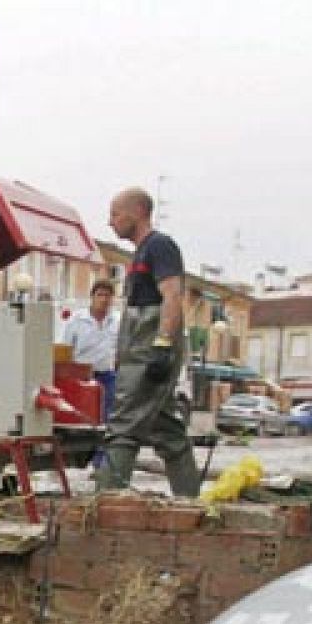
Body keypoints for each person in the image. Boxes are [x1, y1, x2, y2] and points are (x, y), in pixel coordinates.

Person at [99, 188, 200, 498]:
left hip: (148, 349)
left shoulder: (160, 246)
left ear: (138, 212)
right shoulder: (139, 253)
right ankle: (190, 498)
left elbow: (172, 295)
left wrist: (162, 345)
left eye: (115, 214)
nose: (110, 222)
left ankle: (104, 502)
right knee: (165, 427)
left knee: (124, 423)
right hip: (138, 347)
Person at [65, 278, 121, 417]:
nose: (103, 299)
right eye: (100, 295)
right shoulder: (77, 320)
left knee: (106, 414)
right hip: (81, 376)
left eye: (107, 295)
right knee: (82, 414)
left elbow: (122, 348)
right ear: (92, 297)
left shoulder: (117, 321)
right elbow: (66, 348)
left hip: (107, 377)